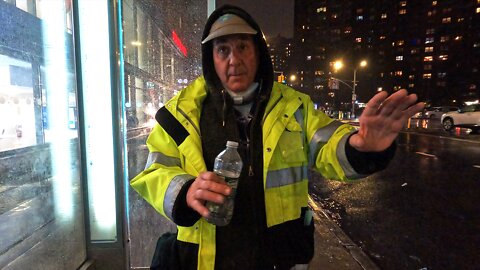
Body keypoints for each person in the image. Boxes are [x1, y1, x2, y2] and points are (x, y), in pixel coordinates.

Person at [130, 4, 424, 270]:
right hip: (206, 260)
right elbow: (154, 172)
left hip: (277, 259)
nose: (234, 60)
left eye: (243, 46)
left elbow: (329, 145)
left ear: (258, 51)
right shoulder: (182, 112)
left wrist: (362, 147)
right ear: (212, 58)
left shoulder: (295, 107)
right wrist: (185, 191)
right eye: (223, 50)